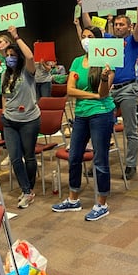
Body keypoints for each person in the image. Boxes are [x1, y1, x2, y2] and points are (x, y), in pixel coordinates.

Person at [51, 26, 115, 221]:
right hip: (81, 114)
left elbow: (104, 94)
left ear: (98, 40)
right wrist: (92, 94)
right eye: (83, 36)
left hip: (101, 113)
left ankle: (102, 203)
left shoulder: (107, 61)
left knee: (100, 159)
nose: (85, 39)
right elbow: (70, 90)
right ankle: (73, 199)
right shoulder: (77, 61)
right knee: (74, 156)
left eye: (90, 37)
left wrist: (103, 79)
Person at [82, 0, 138, 179]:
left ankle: (131, 164)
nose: (118, 27)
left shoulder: (133, 41)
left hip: (127, 88)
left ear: (129, 27)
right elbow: (90, 27)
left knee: (130, 129)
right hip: (108, 89)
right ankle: (98, 163)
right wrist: (84, 6)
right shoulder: (107, 39)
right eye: (116, 24)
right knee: (102, 128)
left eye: (121, 24)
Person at [0, 26, 41, 209]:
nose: (10, 58)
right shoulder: (4, 74)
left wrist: (16, 37)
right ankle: (26, 190)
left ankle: (30, 187)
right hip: (9, 121)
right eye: (7, 55)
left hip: (29, 120)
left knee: (29, 156)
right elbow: (4, 95)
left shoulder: (27, 71)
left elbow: (31, 56)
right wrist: (4, 111)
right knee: (15, 157)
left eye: (13, 55)